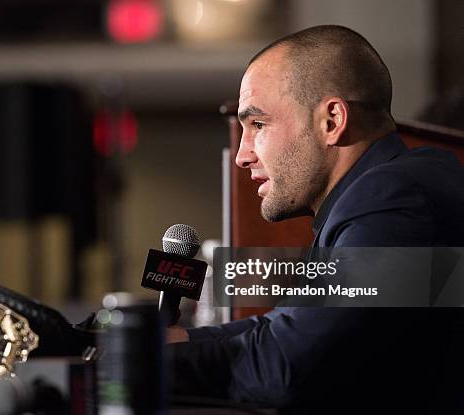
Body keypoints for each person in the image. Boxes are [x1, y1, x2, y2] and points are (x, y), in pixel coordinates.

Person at [166, 25, 464, 413]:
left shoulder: (393, 199)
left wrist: (133, 362)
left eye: (258, 125)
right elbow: (278, 327)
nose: (242, 155)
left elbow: (287, 366)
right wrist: (181, 341)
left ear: (332, 120)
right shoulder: (386, 191)